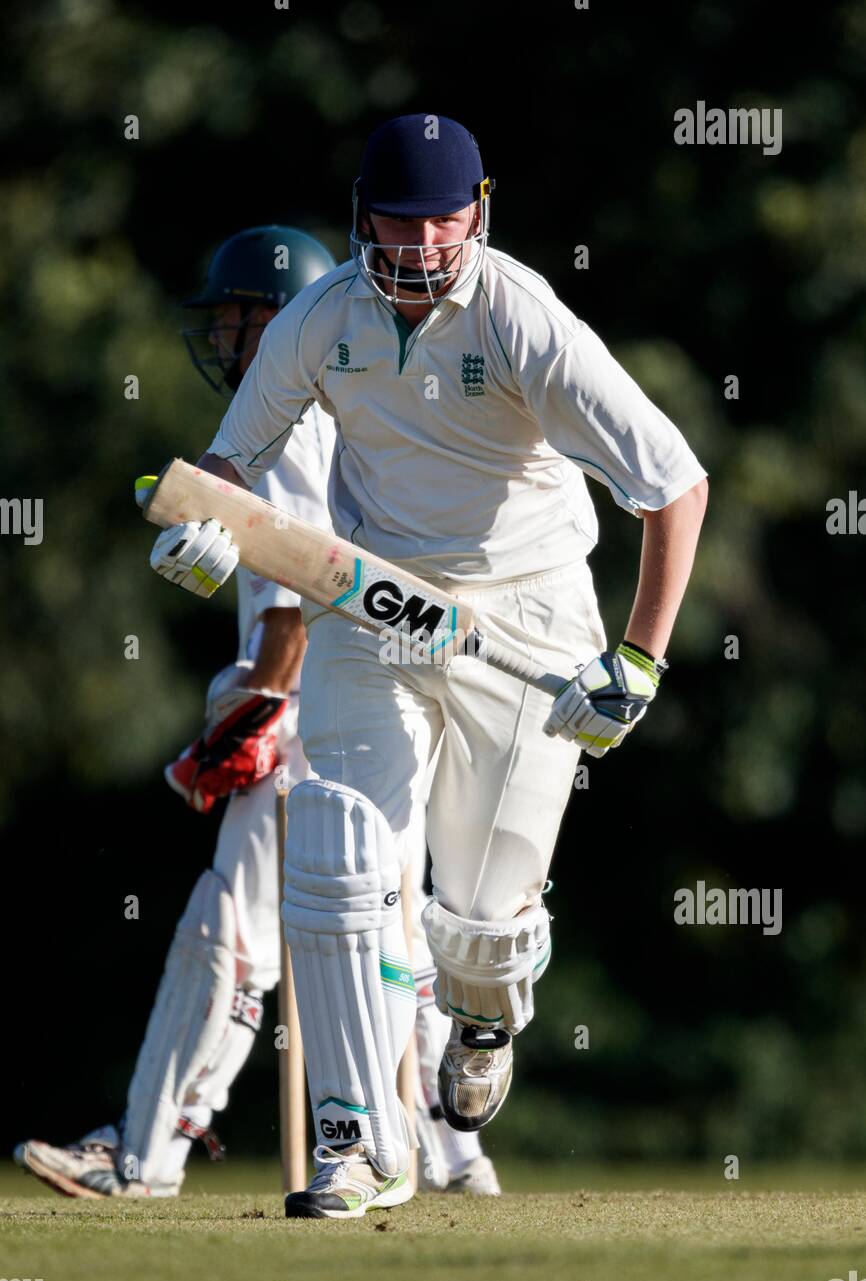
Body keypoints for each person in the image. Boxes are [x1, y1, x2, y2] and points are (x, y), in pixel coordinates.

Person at [143, 114, 709, 1220]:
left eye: (441, 215)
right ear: (362, 216)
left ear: (479, 212)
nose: (418, 238)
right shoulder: (321, 316)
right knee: (342, 843)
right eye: (397, 216)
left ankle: (485, 1020)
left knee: (483, 926)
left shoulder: (523, 320)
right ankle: (360, 1142)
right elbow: (227, 465)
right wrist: (198, 526)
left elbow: (672, 484)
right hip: (374, 606)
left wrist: (638, 657)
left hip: (527, 616)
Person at [14, 222, 499, 1199]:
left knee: (231, 929)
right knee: (385, 925)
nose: (223, 336)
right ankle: (453, 1152)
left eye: (235, 316)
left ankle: (147, 1155)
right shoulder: (344, 410)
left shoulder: (275, 418)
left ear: (273, 319)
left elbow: (298, 584)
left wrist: (259, 710)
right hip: (366, 706)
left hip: (300, 714)